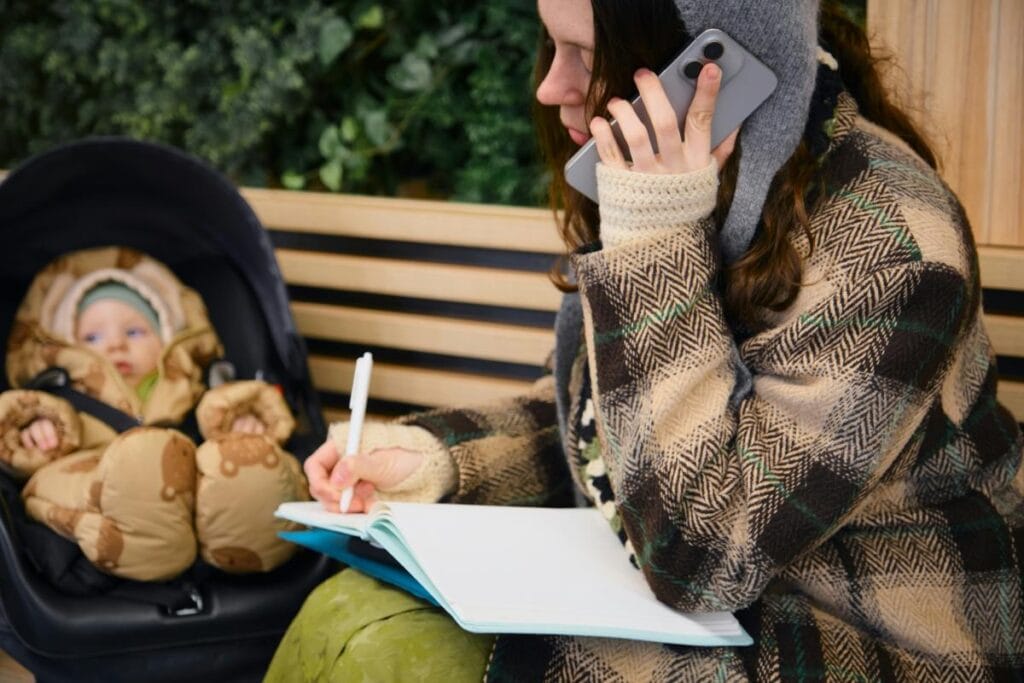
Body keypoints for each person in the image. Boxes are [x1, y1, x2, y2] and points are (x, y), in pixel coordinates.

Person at [269, 0, 1024, 680]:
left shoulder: (893, 248)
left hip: (873, 638)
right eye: (550, 46)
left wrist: (653, 236)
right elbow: (611, 425)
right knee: (352, 613)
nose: (550, 86)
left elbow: (702, 554)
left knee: (394, 655)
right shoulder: (697, 189)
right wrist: (437, 462)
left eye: (588, 58)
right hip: (712, 602)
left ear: (711, 71)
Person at [1, 246, 308, 582]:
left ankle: (247, 538)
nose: (116, 344)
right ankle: (148, 543)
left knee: (242, 465)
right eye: (92, 336)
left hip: (191, 494)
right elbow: (13, 429)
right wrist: (36, 431)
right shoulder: (57, 394)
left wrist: (245, 427)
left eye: (134, 332)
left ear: (166, 340)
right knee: (119, 470)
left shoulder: (191, 386)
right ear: (66, 347)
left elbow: (233, 414)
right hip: (89, 473)